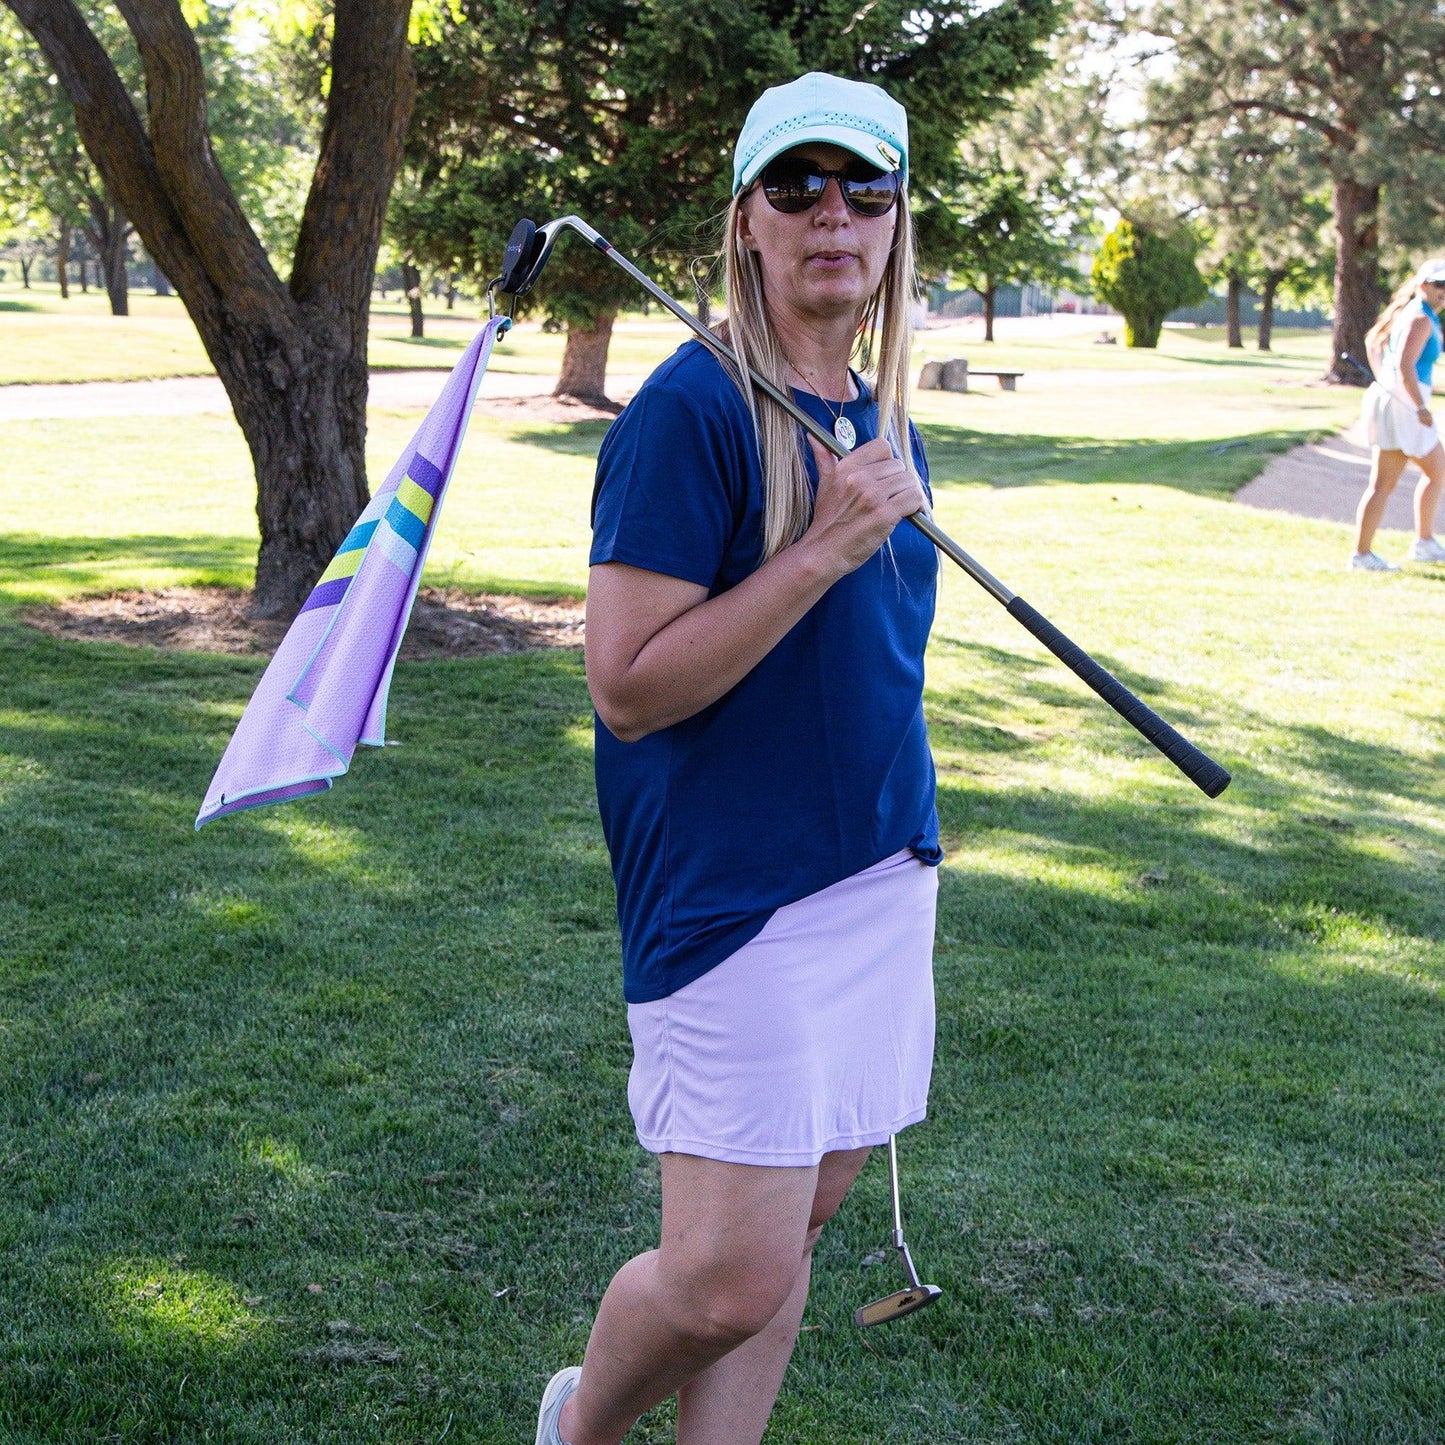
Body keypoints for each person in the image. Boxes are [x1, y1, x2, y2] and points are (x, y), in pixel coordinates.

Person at [534, 72, 941, 1445]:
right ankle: (575, 1432)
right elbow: (628, 688)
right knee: (728, 1271)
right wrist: (823, 545)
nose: (833, 212)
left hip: (876, 875)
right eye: (797, 185)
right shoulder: (691, 412)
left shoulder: (880, 416)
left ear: (894, 221)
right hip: (735, 892)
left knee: (804, 1214)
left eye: (863, 187)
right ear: (747, 222)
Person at [1350, 259, 1445, 570]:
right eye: (1439, 285)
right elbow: (1406, 367)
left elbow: (1373, 344)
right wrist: (1420, 407)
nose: (1444, 292)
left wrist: (1384, 381)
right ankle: (1367, 554)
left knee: (1429, 473)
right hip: (1406, 406)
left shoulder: (1419, 314)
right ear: (1422, 286)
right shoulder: (1420, 318)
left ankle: (1422, 542)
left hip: (1397, 401)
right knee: (1390, 482)